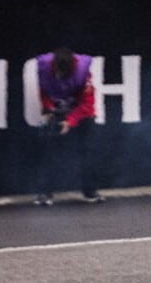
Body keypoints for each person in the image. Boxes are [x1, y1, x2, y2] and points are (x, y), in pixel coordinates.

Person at [33, 48, 101, 206]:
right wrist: (48, 108)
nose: (57, 76)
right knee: (47, 152)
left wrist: (71, 121)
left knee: (87, 152)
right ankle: (44, 193)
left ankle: (90, 192)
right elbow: (43, 91)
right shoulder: (43, 66)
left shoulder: (83, 73)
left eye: (61, 74)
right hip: (57, 109)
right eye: (55, 72)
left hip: (80, 112)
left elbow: (88, 104)